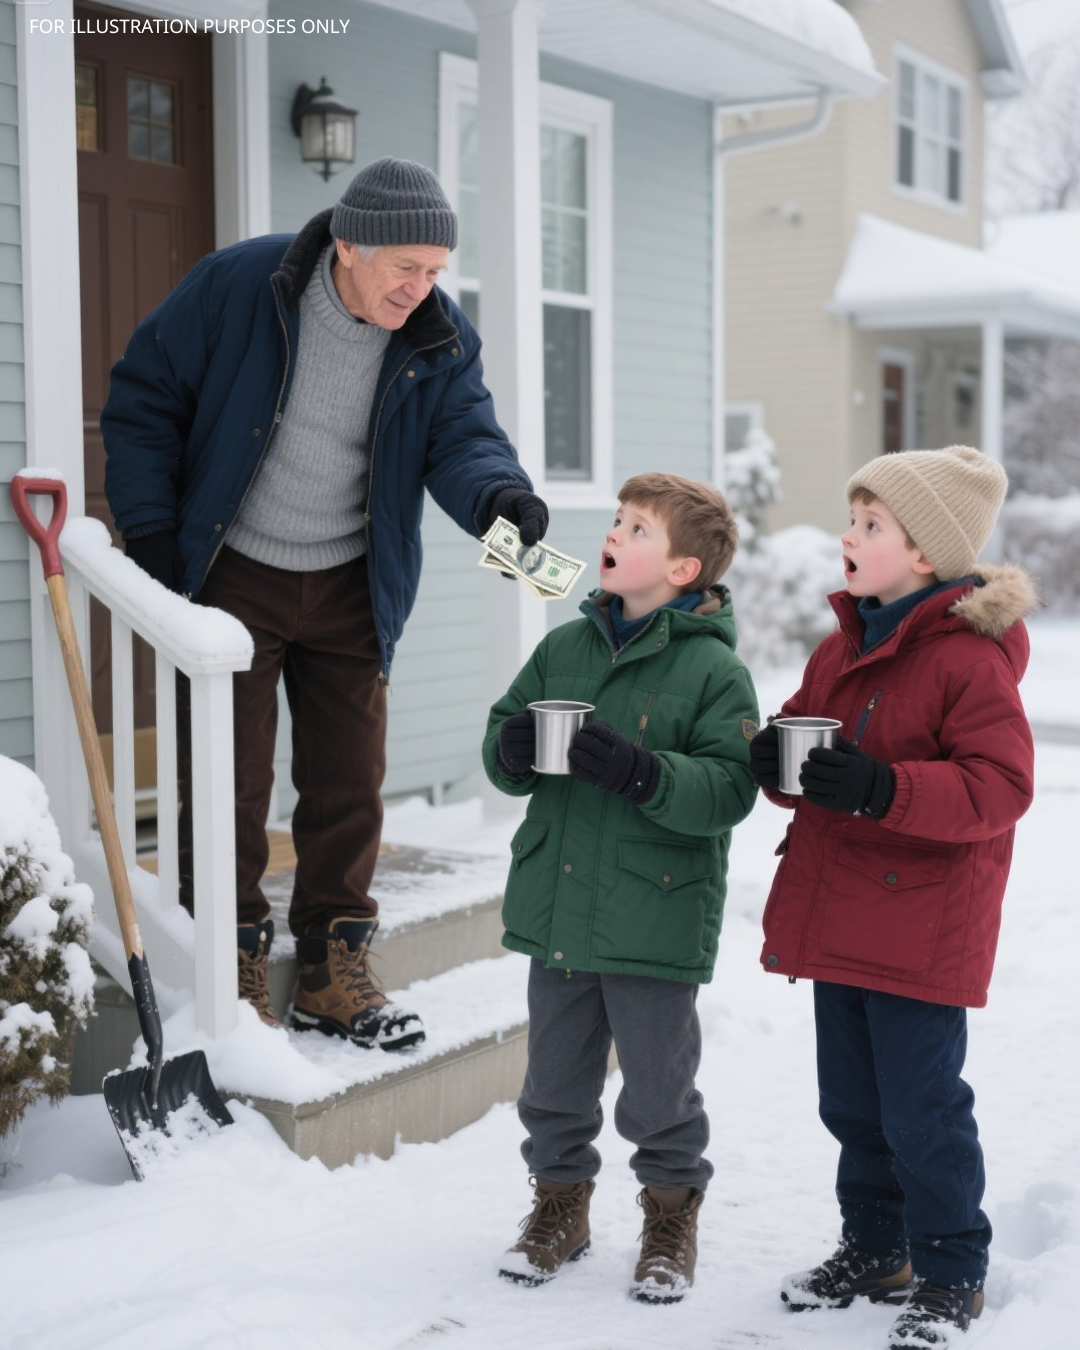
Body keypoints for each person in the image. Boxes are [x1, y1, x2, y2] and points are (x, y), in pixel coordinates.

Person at [102, 157, 548, 1047]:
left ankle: (332, 968)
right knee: (229, 780)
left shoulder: (436, 336)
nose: (421, 290)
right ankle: (225, 959)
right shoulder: (243, 287)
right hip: (234, 572)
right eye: (405, 269)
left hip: (352, 579)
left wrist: (501, 498)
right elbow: (144, 397)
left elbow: (464, 437)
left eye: (434, 272)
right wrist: (154, 541)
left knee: (349, 781)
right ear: (350, 245)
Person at [748, 447, 1036, 1348]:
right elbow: (817, 749)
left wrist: (882, 789)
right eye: (854, 517)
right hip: (844, 916)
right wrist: (778, 766)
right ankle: (875, 1250)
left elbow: (1001, 787)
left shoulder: (967, 659)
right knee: (854, 1103)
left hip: (921, 928)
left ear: (925, 554)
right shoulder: (846, 644)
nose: (849, 535)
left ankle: (952, 1270)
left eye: (872, 524)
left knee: (923, 1109)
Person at [482, 473, 758, 1303]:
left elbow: (731, 787)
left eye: (638, 528)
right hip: (559, 905)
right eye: (617, 520)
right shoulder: (563, 647)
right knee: (553, 1083)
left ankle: (670, 1217)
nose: (615, 533)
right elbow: (504, 730)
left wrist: (646, 774)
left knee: (658, 1088)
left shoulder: (713, 670)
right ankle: (559, 1206)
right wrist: (516, 748)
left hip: (654, 914)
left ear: (681, 571)